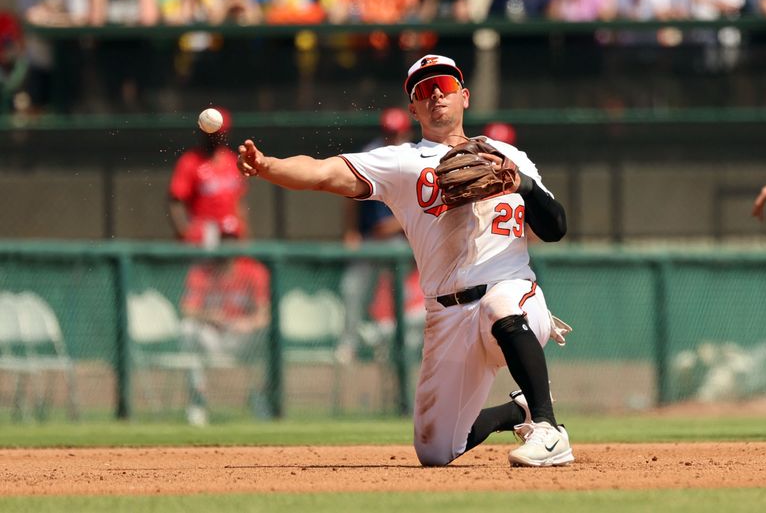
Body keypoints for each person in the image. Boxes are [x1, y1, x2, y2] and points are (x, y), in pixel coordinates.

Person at [237, 54, 573, 467]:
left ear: (464, 97)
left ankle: (548, 428)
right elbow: (322, 173)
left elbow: (555, 227)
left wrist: (521, 183)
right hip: (447, 314)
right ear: (412, 108)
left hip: (515, 298)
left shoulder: (507, 155)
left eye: (444, 87)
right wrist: (268, 166)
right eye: (423, 90)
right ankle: (515, 412)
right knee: (435, 451)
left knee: (498, 304)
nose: (435, 95)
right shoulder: (401, 161)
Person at [339, 107, 414, 363]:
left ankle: (395, 348)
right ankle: (348, 345)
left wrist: (398, 225)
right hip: (370, 237)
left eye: (397, 133)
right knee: (352, 290)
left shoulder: (414, 155)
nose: (392, 137)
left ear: (406, 131)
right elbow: (351, 197)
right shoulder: (369, 154)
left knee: (401, 298)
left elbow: (421, 203)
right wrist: (350, 232)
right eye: (389, 133)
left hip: (400, 240)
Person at [179, 236, 271, 425]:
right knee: (187, 328)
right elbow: (186, 309)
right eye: (224, 240)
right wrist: (208, 315)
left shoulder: (253, 271)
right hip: (211, 336)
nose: (228, 247)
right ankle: (198, 400)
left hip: (241, 338)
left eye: (232, 240)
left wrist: (248, 323)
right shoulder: (202, 271)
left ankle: (260, 397)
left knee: (266, 332)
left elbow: (265, 315)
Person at [168, 107, 250, 247]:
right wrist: (185, 232)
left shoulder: (233, 161)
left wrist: (245, 237)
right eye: (211, 132)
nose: (215, 137)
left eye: (218, 133)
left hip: (231, 233)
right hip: (204, 234)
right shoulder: (190, 161)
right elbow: (175, 202)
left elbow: (239, 202)